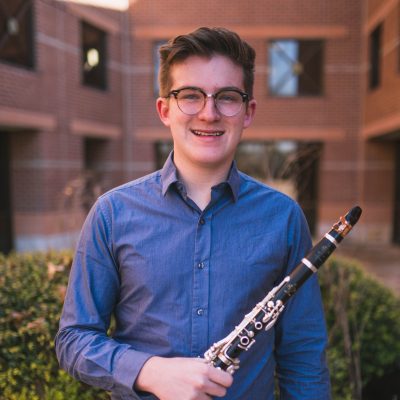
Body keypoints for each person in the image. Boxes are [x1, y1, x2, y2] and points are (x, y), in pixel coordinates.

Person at [55, 27, 331, 399]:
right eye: (190, 96)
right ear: (164, 110)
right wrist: (149, 371)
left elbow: (303, 357)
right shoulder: (112, 214)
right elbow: (74, 340)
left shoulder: (282, 217)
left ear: (247, 112)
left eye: (227, 97)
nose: (209, 113)